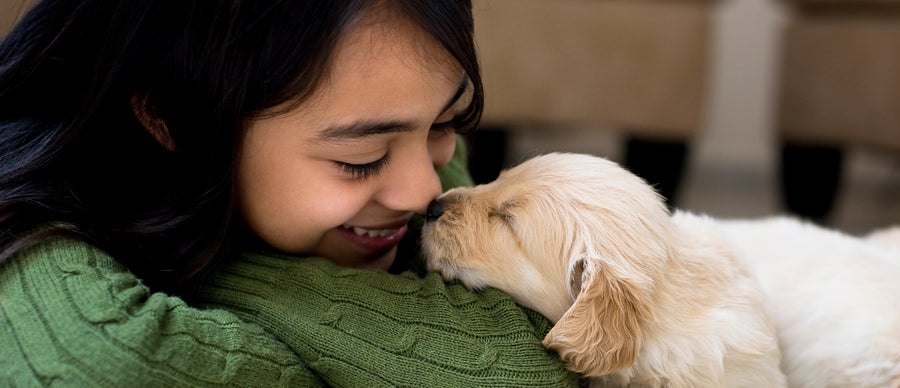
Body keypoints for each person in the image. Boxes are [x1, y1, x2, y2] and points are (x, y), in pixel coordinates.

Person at [0, 0, 578, 386]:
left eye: (448, 122)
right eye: (361, 159)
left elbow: (522, 363)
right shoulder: (31, 228)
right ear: (167, 117)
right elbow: (108, 365)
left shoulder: (403, 129)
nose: (427, 191)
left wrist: (219, 272)